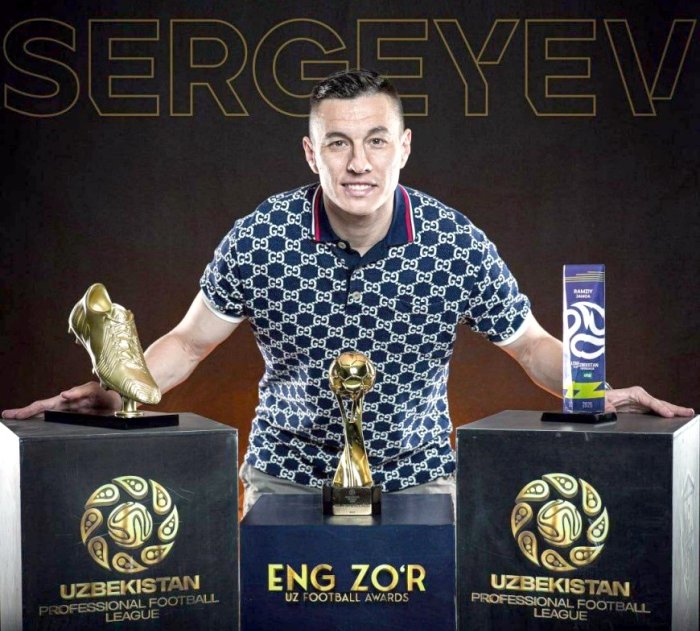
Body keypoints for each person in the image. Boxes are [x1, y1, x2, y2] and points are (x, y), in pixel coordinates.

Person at [3, 70, 693, 514]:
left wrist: (593, 391)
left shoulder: (454, 242)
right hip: (283, 480)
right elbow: (188, 343)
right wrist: (121, 391)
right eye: (337, 143)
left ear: (404, 147)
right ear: (312, 153)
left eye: (375, 141)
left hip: (421, 481)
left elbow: (531, 345)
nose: (358, 162)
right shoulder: (261, 236)